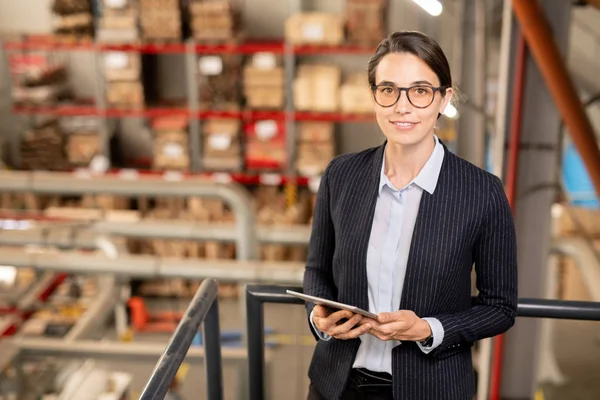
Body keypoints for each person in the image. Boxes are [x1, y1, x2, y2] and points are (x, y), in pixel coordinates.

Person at [303, 30, 518, 400]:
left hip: (430, 389)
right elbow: (317, 271)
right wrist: (318, 316)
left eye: (420, 91)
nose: (402, 106)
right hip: (334, 385)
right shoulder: (341, 175)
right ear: (374, 96)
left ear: (444, 99)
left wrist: (429, 329)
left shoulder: (482, 192)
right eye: (388, 90)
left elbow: (499, 307)